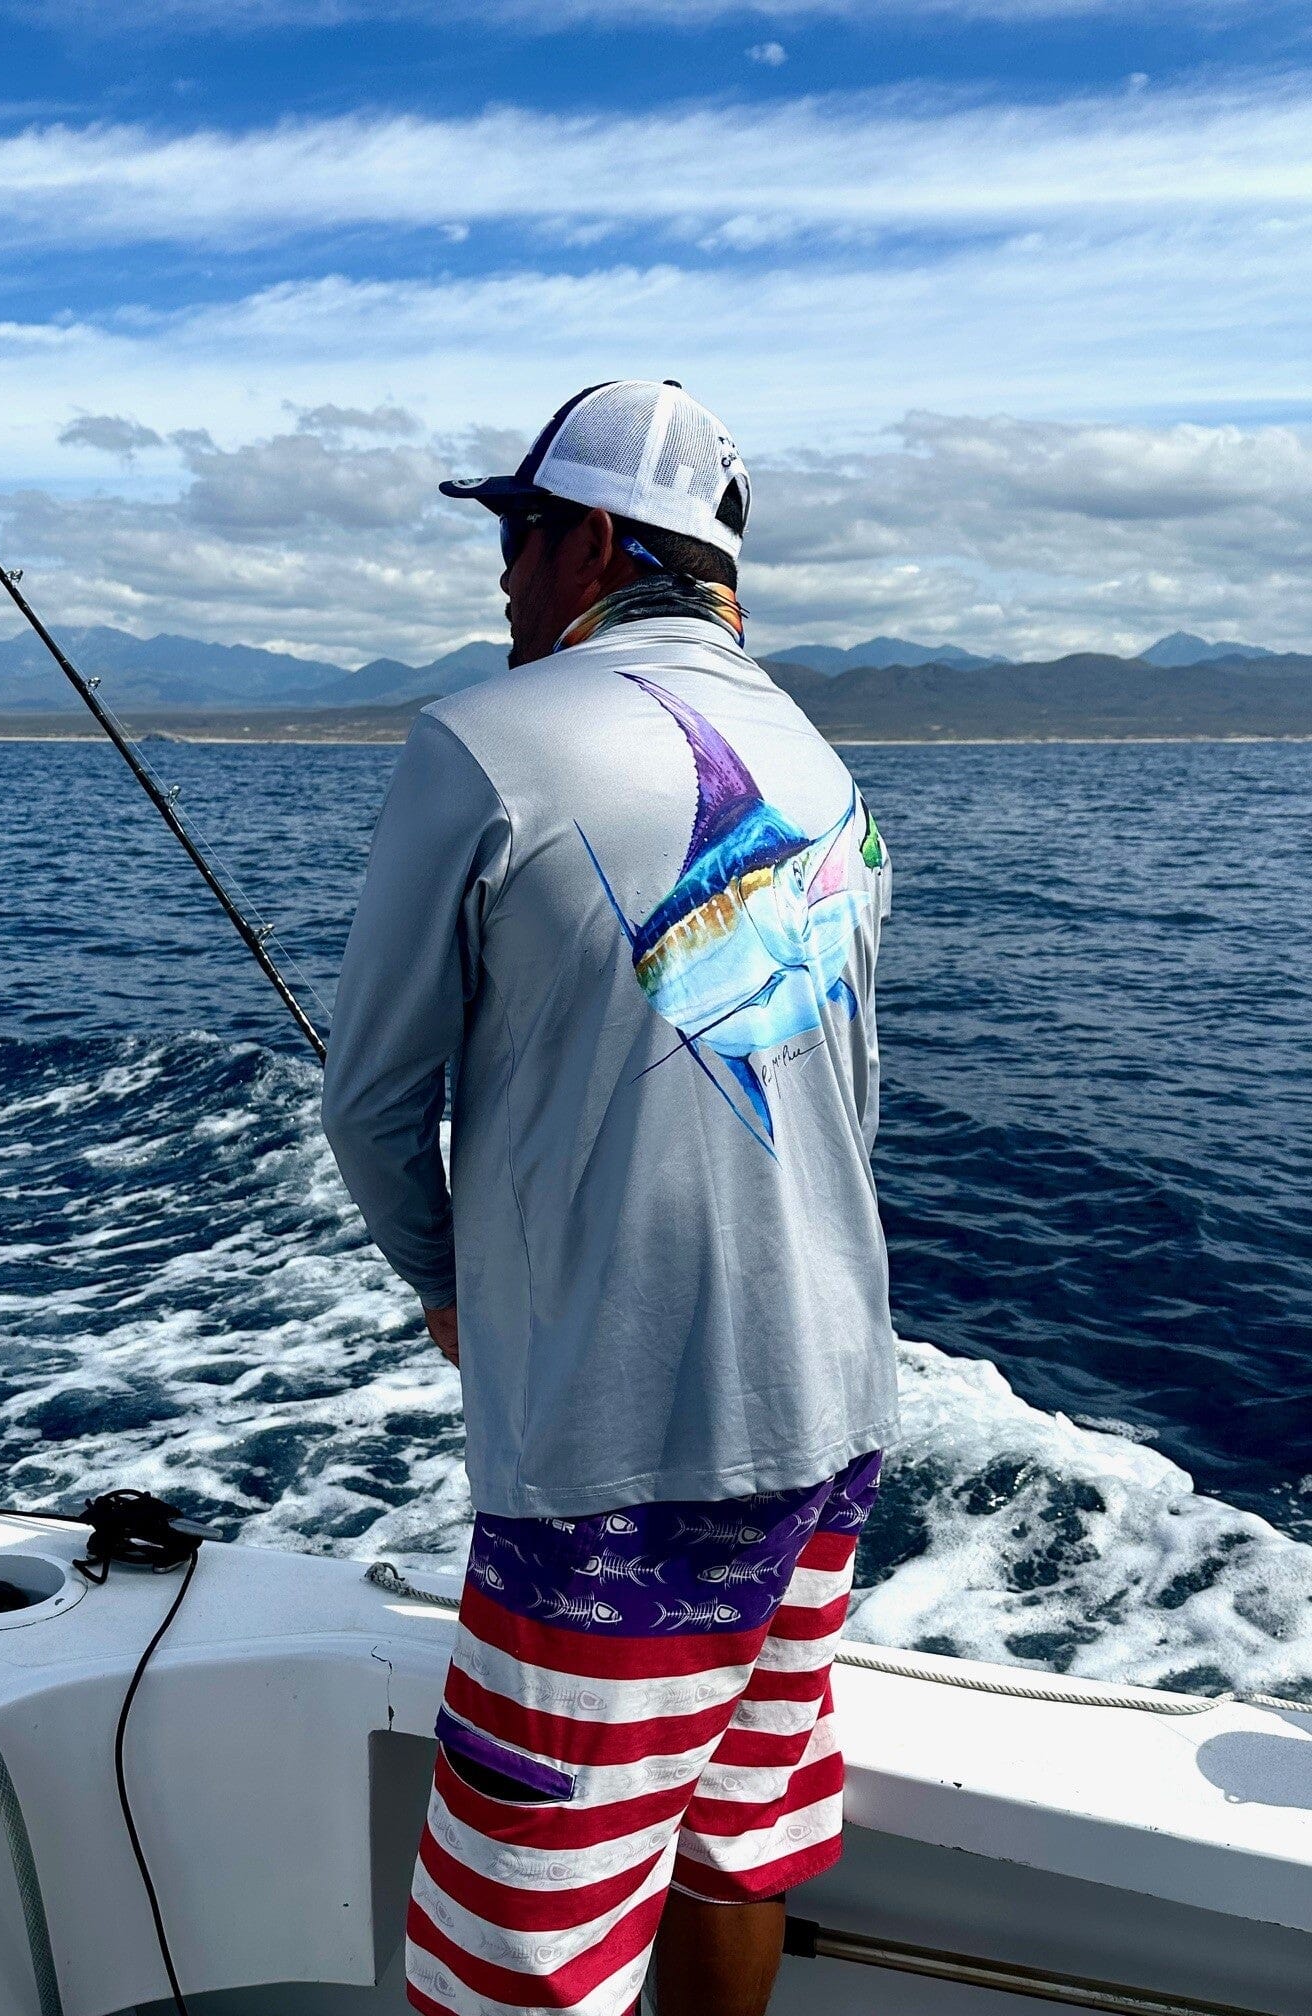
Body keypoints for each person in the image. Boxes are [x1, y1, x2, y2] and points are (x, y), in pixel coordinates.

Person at [322, 380, 898, 2016]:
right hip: (833, 1418)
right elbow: (847, 1108)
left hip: (617, 1459)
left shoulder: (480, 739)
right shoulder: (827, 767)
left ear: (594, 541)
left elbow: (370, 1104)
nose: (499, 574)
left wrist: (450, 1287)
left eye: (516, 530)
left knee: (521, 1953)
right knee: (736, 1837)